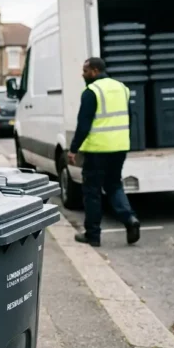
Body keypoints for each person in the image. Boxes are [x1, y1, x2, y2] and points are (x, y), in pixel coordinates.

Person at [67, 57, 140, 247]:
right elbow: (129, 117)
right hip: (119, 146)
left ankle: (93, 235)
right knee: (114, 185)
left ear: (95, 71)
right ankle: (130, 219)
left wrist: (73, 149)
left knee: (92, 191)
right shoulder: (122, 88)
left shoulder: (92, 92)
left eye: (85, 71)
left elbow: (84, 124)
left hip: (97, 150)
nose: (83, 75)